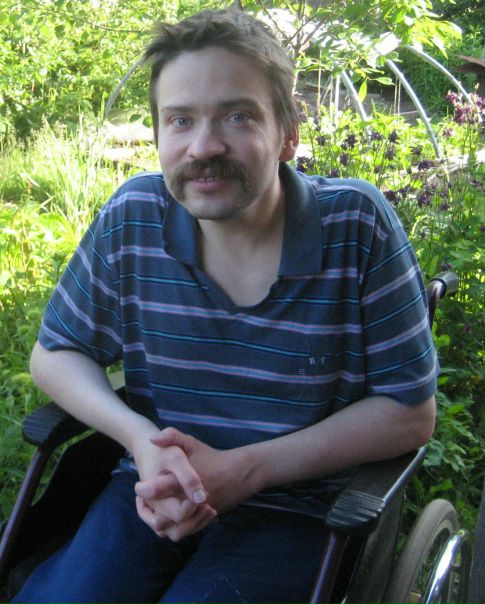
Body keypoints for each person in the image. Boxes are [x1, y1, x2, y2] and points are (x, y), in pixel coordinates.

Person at [12, 8, 437, 604]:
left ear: (288, 133)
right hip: (154, 489)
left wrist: (246, 471)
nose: (204, 146)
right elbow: (56, 353)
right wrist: (140, 441)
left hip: (298, 508)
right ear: (158, 135)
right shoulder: (134, 219)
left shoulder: (355, 227)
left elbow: (409, 413)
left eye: (238, 116)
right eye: (180, 120)